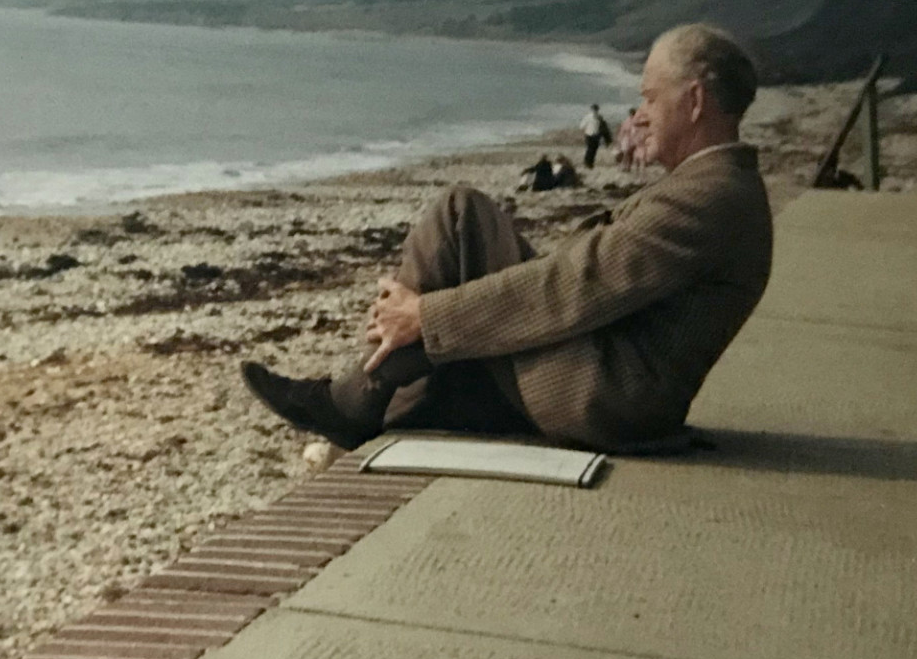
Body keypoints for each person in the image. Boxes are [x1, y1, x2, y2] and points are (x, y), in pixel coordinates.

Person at [242, 23, 773, 453]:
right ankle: (367, 404)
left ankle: (355, 404)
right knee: (465, 227)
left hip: (606, 399)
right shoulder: (717, 185)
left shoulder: (710, 197)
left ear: (696, 101)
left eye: (650, 99)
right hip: (612, 375)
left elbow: (575, 283)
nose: (638, 116)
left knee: (460, 216)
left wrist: (425, 315)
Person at [579, 103, 610, 169]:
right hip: (589, 134)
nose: (595, 111)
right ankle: (587, 162)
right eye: (594, 109)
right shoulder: (587, 117)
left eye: (596, 109)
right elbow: (582, 126)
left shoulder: (600, 117)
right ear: (591, 110)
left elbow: (602, 126)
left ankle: (591, 163)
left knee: (594, 150)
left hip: (596, 135)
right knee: (590, 149)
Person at [616, 107, 639, 171]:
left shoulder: (636, 121)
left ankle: (628, 166)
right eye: (631, 114)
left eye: (633, 114)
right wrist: (620, 139)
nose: (632, 115)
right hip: (627, 138)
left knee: (630, 154)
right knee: (625, 153)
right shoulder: (627, 121)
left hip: (633, 139)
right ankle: (624, 166)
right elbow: (623, 130)